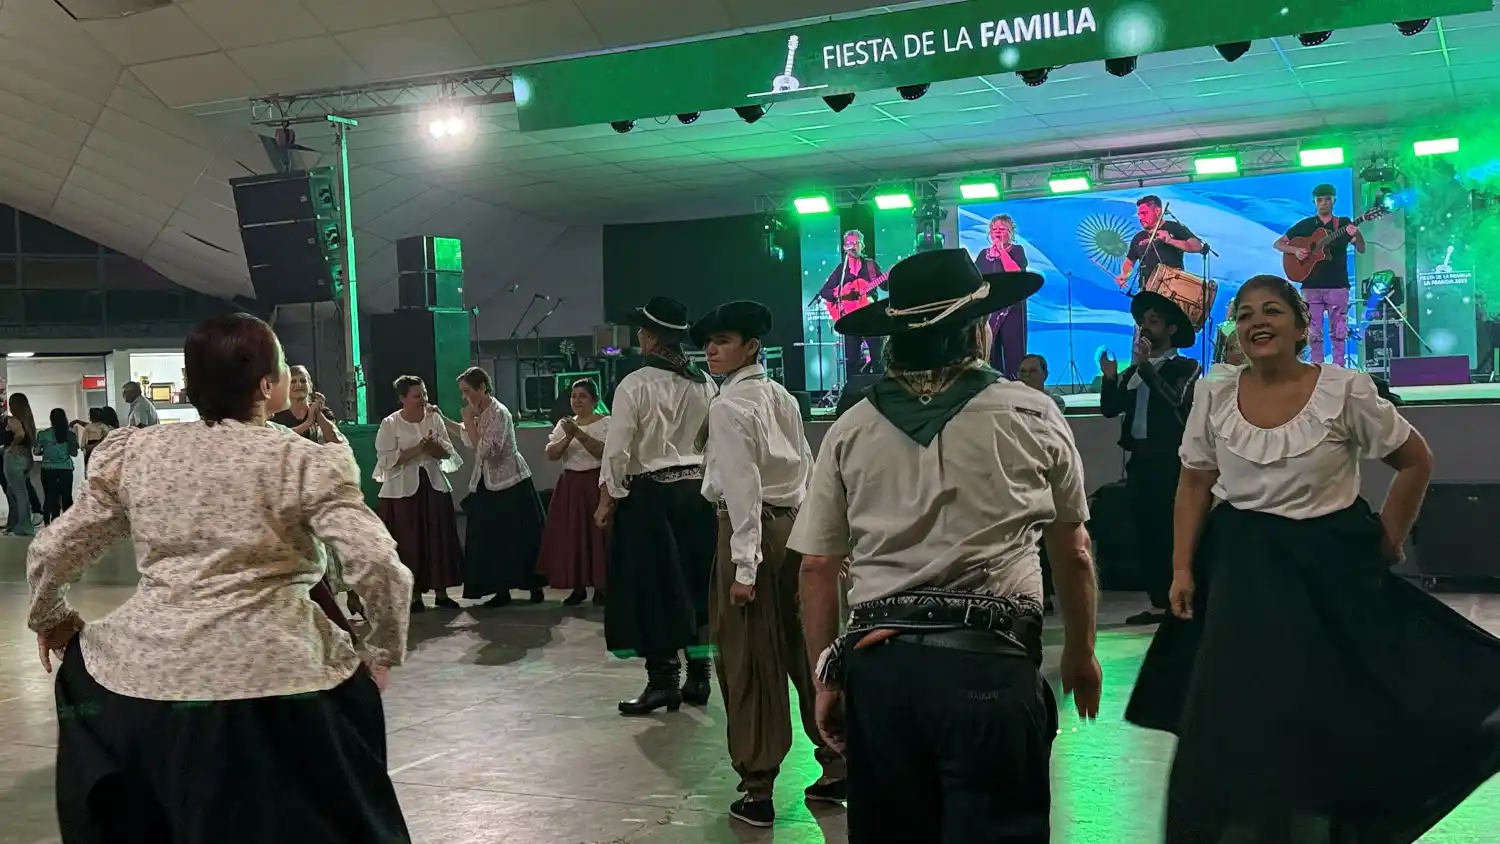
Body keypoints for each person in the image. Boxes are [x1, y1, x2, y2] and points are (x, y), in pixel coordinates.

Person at [1125, 275, 1500, 842]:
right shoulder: (1216, 391)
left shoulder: (1343, 389)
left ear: (1303, 326)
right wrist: (1182, 567)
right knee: (1232, 713)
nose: (1258, 322)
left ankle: (1318, 827)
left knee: (1319, 711)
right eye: (1246, 313)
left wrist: (1389, 538)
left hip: (1325, 571)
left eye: (1273, 310)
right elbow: (1195, 482)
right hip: (1240, 569)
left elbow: (1415, 460)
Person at [26, 312, 413, 842]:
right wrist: (382, 649)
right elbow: (377, 565)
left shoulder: (138, 455)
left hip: (149, 681)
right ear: (267, 385)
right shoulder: (301, 461)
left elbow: (53, 549)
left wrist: (51, 616)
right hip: (284, 680)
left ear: (190, 385)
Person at [791, 249, 1102, 843]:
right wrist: (1080, 653)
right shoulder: (1032, 413)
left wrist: (827, 678)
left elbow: (815, 567)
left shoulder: (850, 428)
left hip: (882, 673)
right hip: (991, 663)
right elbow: (1074, 549)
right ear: (980, 330)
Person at [692, 301, 845, 827]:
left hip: (750, 533)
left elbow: (742, 490)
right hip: (795, 531)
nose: (711, 349)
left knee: (749, 658)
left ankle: (757, 789)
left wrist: (743, 568)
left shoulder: (730, 408)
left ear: (752, 345)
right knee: (809, 647)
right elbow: (805, 468)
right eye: (708, 342)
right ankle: (837, 761)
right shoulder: (780, 395)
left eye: (724, 340)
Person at [596, 296, 718, 716]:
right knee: (697, 586)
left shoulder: (636, 384)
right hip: (698, 494)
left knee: (656, 590)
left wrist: (608, 496)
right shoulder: (705, 382)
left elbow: (618, 448)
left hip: (651, 497)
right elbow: (713, 442)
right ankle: (700, 675)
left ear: (649, 337)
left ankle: (663, 681)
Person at [1099, 288, 1200, 626]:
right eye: (1144, 320)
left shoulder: (1186, 366)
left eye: (1154, 320)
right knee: (1145, 533)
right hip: (1139, 463)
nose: (1145, 326)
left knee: (1172, 531)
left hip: (1170, 462)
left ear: (1171, 329)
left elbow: (1176, 401)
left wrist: (1147, 369)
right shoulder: (1132, 372)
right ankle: (1158, 601)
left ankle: (1183, 597)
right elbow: (1110, 409)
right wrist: (1112, 376)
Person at [435, 366, 547, 607]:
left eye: (467, 391)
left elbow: (485, 449)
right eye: (463, 392)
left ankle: (533, 585)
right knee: (491, 538)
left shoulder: (499, 412)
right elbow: (468, 435)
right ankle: (500, 589)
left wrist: (468, 419)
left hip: (510, 482)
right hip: (487, 481)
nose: (465, 397)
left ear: (482, 387)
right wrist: (443, 418)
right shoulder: (479, 411)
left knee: (518, 536)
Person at [374, 376, 465, 613]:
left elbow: (448, 453)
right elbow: (385, 460)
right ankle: (414, 596)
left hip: (433, 485)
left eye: (424, 394)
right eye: (417, 396)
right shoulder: (390, 423)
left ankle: (442, 592)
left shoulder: (434, 417)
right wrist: (418, 449)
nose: (423, 400)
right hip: (403, 491)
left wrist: (434, 448)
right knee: (409, 541)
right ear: (402, 399)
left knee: (438, 538)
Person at [1274, 183, 1366, 366]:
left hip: (1338, 285)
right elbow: (1278, 243)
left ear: (1334, 201)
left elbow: (1361, 248)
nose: (1324, 203)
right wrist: (1295, 251)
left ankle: (1338, 370)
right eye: (1320, 200)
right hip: (1311, 286)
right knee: (1314, 334)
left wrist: (1358, 234)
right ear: (1314, 202)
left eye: (1328, 199)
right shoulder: (1306, 225)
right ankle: (1317, 369)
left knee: (1339, 332)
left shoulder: (1344, 224)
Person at [538, 378, 611, 607]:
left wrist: (578, 433)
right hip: (571, 484)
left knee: (599, 537)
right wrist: (569, 434)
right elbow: (552, 453)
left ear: (595, 400)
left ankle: (602, 587)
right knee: (573, 535)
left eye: (583, 396)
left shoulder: (606, 422)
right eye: (573, 396)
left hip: (597, 483)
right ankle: (577, 587)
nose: (577, 400)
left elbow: (603, 452)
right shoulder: (565, 424)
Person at [818, 230, 887, 379]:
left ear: (862, 245)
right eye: (850, 243)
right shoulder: (841, 270)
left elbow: (885, 286)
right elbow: (825, 292)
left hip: (871, 318)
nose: (853, 246)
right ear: (844, 247)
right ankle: (853, 394)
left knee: (878, 358)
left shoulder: (870, 266)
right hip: (851, 318)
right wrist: (843, 294)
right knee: (852, 361)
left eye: (856, 243)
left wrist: (894, 276)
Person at [973, 214, 1032, 378]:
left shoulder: (1016, 250)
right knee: (991, 352)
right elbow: (976, 279)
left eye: (1002, 229)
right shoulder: (983, 254)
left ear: (1010, 232)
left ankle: (1017, 387)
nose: (997, 232)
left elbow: (1015, 273)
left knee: (1014, 351)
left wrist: (1000, 250)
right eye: (994, 229)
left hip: (1012, 308)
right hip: (991, 309)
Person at [1116, 195, 1204, 291]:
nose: (1140, 217)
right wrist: (1125, 274)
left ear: (1157, 211)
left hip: (1173, 289)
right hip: (1146, 290)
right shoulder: (1138, 237)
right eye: (1139, 214)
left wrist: (1171, 241)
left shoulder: (1174, 227)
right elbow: (1129, 261)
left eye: (1144, 213)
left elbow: (1197, 246)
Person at [272, 365, 341, 443]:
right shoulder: (276, 415)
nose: (299, 385)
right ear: (286, 388)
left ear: (310, 386)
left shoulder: (324, 412)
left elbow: (336, 440)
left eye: (303, 381)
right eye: (293, 381)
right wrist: (308, 423)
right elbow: (278, 440)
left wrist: (317, 413)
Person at [36, 408, 79, 525]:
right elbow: (74, 453)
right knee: (66, 496)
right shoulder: (70, 435)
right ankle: (67, 523)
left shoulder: (43, 434)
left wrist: (45, 451)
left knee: (50, 495)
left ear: (51, 419)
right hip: (65, 469)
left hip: (48, 469)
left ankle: (48, 523)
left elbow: (36, 451)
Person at [4, 393, 38, 537]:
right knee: (13, 491)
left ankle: (23, 526)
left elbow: (20, 434)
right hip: (26, 457)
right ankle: (14, 524)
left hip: (14, 457)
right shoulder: (29, 420)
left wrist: (12, 446)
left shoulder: (14, 420)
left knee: (18, 493)